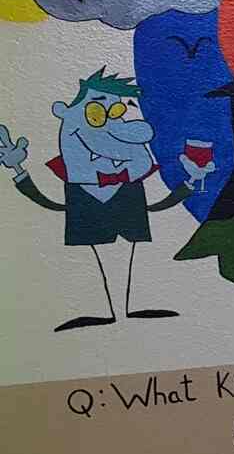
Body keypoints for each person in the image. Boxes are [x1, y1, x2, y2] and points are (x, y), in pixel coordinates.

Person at [0, 68, 213, 331]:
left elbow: (158, 206)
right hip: (71, 292)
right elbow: (49, 202)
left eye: (116, 112)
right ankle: (98, 308)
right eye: (96, 113)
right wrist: (17, 168)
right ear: (67, 113)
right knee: (85, 263)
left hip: (150, 311)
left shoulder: (131, 182)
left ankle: (129, 307)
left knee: (131, 258)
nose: (112, 123)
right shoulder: (77, 177)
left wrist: (192, 180)